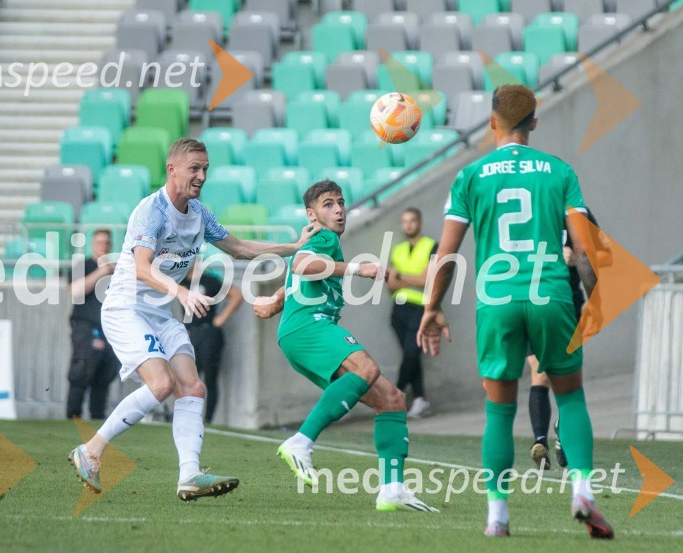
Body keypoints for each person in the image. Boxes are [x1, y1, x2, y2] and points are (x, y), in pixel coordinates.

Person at [68, 138, 318, 501]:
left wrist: (292, 247)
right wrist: (182, 292)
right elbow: (140, 269)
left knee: (193, 387)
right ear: (172, 169)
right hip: (126, 309)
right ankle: (90, 451)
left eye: (205, 169)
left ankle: (189, 475)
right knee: (160, 385)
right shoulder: (151, 211)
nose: (201, 176)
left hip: (159, 314)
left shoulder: (200, 212)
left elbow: (240, 248)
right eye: (194, 169)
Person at [417, 85, 614, 538]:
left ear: (491, 121)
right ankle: (582, 489)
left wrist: (432, 308)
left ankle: (497, 517)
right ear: (535, 122)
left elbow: (446, 255)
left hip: (497, 300)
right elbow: (582, 248)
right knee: (571, 396)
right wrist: (596, 298)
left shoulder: (470, 176)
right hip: (551, 295)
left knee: (498, 411)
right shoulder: (560, 172)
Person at [254, 180, 438, 513]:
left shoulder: (319, 241)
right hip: (310, 328)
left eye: (340, 202)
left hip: (301, 331)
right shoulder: (323, 237)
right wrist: (359, 269)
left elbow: (299, 274)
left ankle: (392, 490)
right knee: (366, 368)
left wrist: (276, 301)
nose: (339, 209)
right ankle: (301, 442)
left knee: (393, 399)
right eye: (328, 204)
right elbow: (300, 267)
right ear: (312, 213)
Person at [528, 210, 610, 470]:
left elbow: (605, 255)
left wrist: (576, 259)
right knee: (538, 371)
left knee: (566, 376)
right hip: (531, 302)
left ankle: (562, 431)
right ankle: (539, 442)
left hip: (568, 305)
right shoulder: (529, 209)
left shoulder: (578, 213)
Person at [387, 207, 437, 418]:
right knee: (411, 356)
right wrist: (411, 277)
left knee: (410, 353)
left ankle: (393, 396)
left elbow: (428, 280)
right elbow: (390, 283)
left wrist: (401, 276)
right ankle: (420, 399)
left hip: (421, 308)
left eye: (412, 221)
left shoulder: (431, 246)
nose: (408, 225)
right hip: (398, 309)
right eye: (404, 221)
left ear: (420, 222)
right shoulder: (397, 249)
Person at [66, 229, 120, 420]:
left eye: (106, 243)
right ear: (92, 244)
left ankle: (98, 419)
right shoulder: (84, 265)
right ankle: (73, 417)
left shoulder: (118, 270)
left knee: (104, 376)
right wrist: (101, 272)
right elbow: (75, 292)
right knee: (81, 372)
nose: (103, 246)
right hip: (86, 328)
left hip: (110, 330)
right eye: (99, 243)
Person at [181, 259, 242, 424]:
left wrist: (221, 318)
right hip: (189, 334)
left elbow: (236, 294)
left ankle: (207, 419)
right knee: (189, 378)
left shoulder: (209, 280)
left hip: (209, 333)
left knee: (209, 377)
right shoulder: (181, 281)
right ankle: (187, 416)